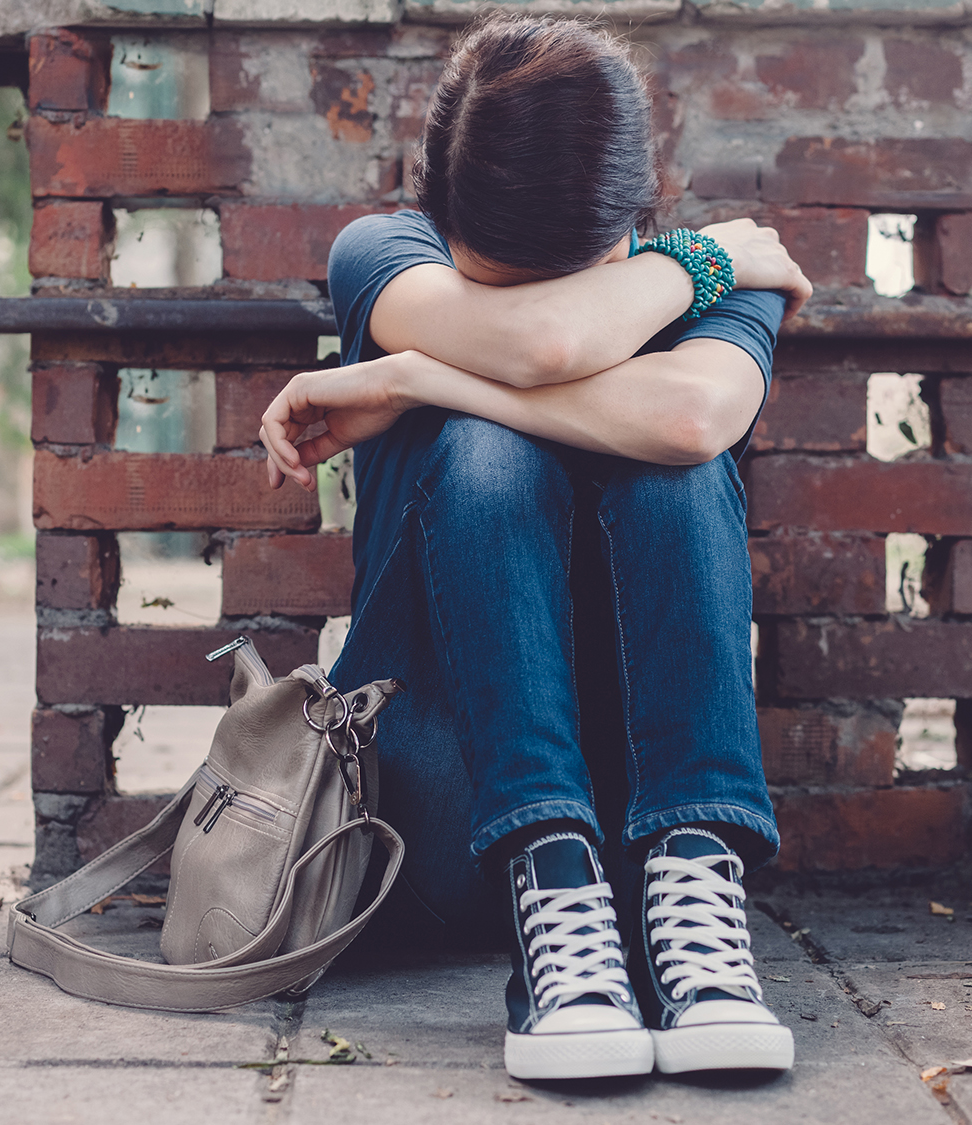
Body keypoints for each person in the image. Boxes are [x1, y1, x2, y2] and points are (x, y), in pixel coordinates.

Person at [259, 14, 812, 1082]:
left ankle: (697, 896)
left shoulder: (713, 286)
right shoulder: (385, 252)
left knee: (678, 467)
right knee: (484, 453)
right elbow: (544, 346)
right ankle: (546, 873)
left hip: (649, 839)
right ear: (441, 212)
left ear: (624, 227)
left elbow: (695, 419)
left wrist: (413, 375)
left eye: (553, 274)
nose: (516, 306)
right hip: (434, 820)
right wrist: (701, 259)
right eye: (490, 282)